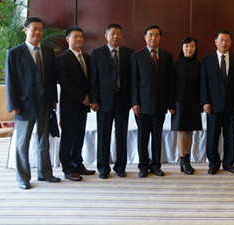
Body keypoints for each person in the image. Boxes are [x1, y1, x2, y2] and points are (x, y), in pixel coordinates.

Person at [6, 17, 60, 190]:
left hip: (45, 103)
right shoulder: (14, 53)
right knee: (23, 142)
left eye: (40, 29)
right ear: (26, 30)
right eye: (34, 29)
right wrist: (13, 105)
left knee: (44, 140)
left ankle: (45, 173)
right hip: (24, 104)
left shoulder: (48, 52)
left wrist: (53, 100)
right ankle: (23, 178)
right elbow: (11, 82)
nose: (37, 32)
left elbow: (51, 79)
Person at [90, 23, 133, 179]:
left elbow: (132, 79)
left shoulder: (129, 53)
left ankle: (120, 167)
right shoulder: (97, 53)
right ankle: (103, 167)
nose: (116, 36)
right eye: (112, 33)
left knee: (122, 135)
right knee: (103, 135)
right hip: (103, 101)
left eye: (118, 33)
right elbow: (93, 79)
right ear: (106, 35)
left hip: (123, 101)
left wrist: (132, 101)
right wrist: (94, 100)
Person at [130, 25, 173, 177]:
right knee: (143, 137)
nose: (153, 38)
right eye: (150, 35)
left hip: (160, 104)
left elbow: (169, 82)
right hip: (143, 104)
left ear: (160, 37)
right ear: (145, 37)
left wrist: (170, 103)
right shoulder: (137, 56)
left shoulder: (167, 56)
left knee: (156, 136)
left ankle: (156, 165)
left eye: (156, 35)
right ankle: (143, 166)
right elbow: (134, 81)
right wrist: (135, 102)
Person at [200, 30, 234, 175]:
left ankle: (228, 163)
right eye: (221, 40)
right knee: (212, 136)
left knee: (229, 136)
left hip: (231, 105)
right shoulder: (207, 60)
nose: (224, 43)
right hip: (213, 105)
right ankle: (213, 163)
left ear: (231, 42)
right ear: (216, 42)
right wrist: (205, 101)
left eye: (227, 40)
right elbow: (203, 83)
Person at [56, 26, 94, 181]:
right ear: (67, 39)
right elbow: (65, 83)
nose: (79, 39)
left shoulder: (87, 57)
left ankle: (78, 164)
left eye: (81, 37)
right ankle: (68, 168)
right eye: (75, 36)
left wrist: (90, 97)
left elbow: (91, 80)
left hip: (83, 105)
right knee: (68, 138)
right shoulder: (61, 59)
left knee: (79, 136)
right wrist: (82, 97)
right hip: (70, 105)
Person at [169, 37, 202, 175]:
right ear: (182, 48)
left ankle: (187, 160)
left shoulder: (199, 65)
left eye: (192, 46)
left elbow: (201, 85)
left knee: (190, 132)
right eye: (187, 46)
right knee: (182, 132)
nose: (189, 49)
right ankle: (183, 160)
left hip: (194, 103)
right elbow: (170, 85)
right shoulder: (175, 64)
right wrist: (171, 104)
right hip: (179, 103)